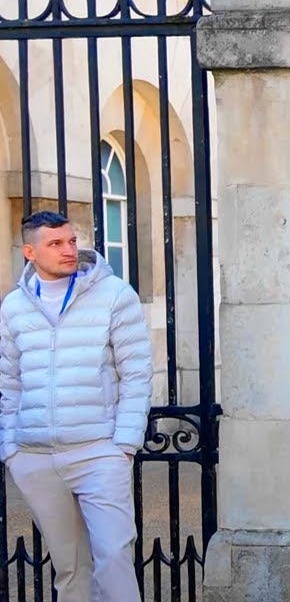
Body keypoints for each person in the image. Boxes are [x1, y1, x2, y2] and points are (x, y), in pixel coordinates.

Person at [0, 211, 153, 602]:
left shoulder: (116, 295)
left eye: (71, 240)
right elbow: (9, 381)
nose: (69, 250)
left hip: (99, 453)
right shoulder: (14, 306)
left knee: (114, 557)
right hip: (35, 457)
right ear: (29, 252)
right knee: (69, 567)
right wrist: (11, 449)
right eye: (56, 244)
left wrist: (123, 445)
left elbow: (136, 375)